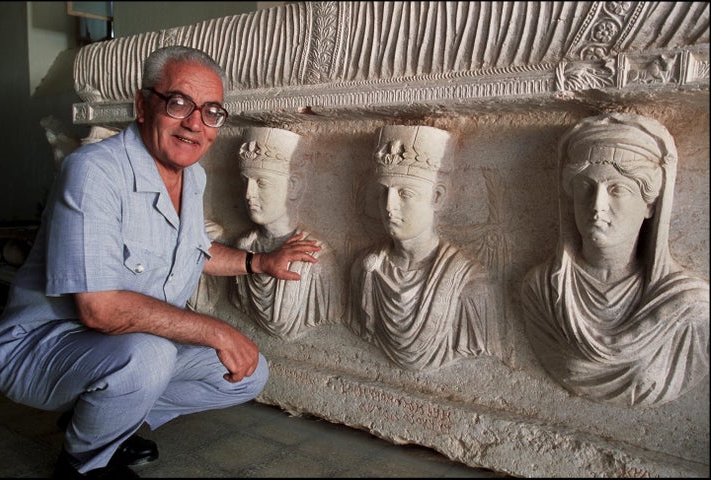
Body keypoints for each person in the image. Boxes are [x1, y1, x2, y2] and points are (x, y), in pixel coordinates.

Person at [0, 45, 321, 479]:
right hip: (41, 346)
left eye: (210, 112)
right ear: (143, 106)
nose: (194, 124)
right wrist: (215, 330)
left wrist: (260, 263)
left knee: (248, 373)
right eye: (179, 102)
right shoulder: (93, 171)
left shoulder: (192, 175)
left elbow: (190, 249)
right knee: (148, 356)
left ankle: (104, 421)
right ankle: (83, 465)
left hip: (124, 347)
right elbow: (100, 309)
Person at [522, 112, 709, 407]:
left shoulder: (689, 308)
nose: (597, 206)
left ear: (649, 205)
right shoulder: (542, 291)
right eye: (585, 186)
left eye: (617, 189)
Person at [347, 125, 502, 371]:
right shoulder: (365, 269)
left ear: (437, 197)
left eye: (405, 194)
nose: (389, 207)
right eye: (383, 192)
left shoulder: (469, 285)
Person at [231, 127, 344, 340]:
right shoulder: (244, 246)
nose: (249, 194)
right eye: (245, 182)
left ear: (293, 186)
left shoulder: (317, 260)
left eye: (261, 183)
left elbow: (329, 315)